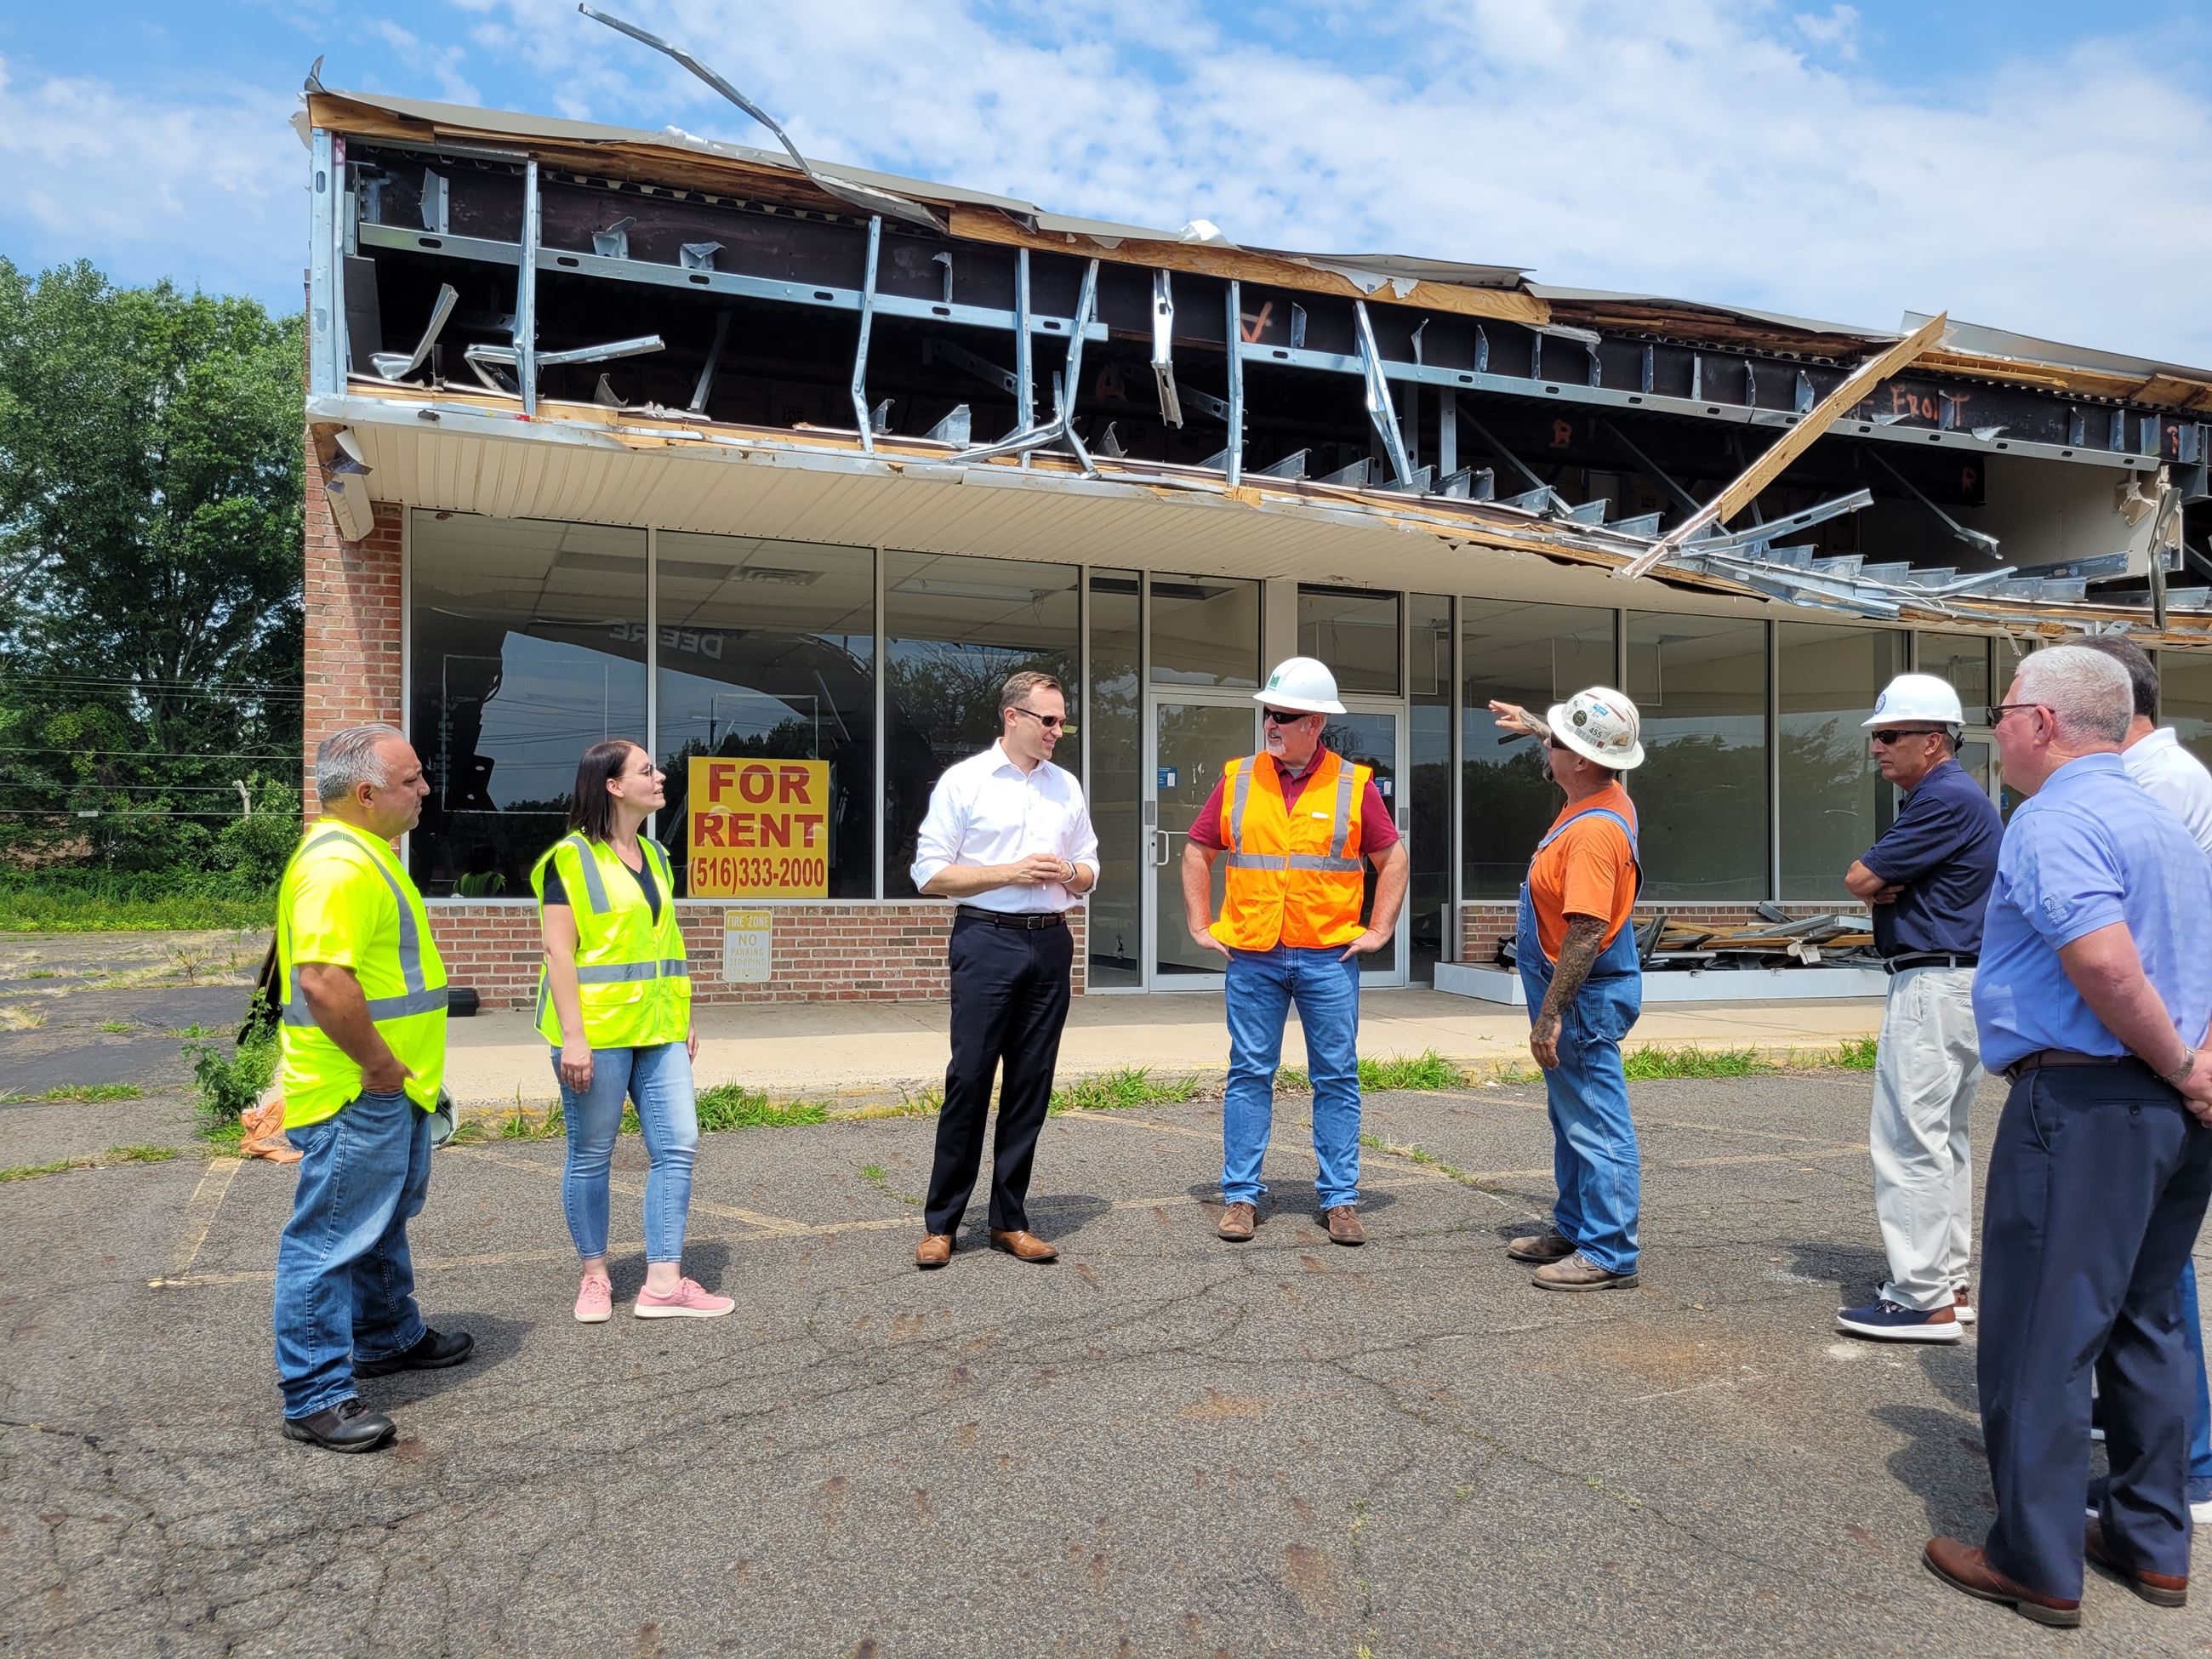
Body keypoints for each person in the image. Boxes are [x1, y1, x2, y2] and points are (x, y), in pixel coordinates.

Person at [1923, 645, 2212, 1629]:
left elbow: (2100, 962)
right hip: (2173, 1115)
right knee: (2147, 1322)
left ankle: (2035, 1561)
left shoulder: (2053, 817)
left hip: (2087, 1102)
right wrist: (2194, 1070)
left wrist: (2175, 1063)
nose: (1991, 726)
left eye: (1999, 708)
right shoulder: (2162, 823)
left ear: (2041, 722)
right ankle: (2146, 1538)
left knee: (2042, 1334)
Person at [272, 725, 472, 1453]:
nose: (425, 791)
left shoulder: (362, 856)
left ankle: (388, 1335)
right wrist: (382, 1067)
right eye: (412, 780)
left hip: (391, 1088)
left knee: (379, 1221)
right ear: (365, 794)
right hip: (359, 1089)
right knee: (329, 1242)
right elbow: (324, 984)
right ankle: (316, 1395)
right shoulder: (339, 867)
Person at [1183, 657, 1407, 1247]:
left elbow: (1393, 860)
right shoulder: (1237, 778)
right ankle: (1240, 1196)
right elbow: (1196, 851)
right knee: (1249, 1074)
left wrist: (1379, 929)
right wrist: (1201, 925)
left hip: (1326, 957)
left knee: (1337, 1077)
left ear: (1316, 723)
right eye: (1267, 714)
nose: (1271, 724)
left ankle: (1340, 1199)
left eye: (1283, 715)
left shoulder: (1353, 785)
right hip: (1254, 952)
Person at [2076, 633, 2212, 1523]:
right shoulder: (2176, 778)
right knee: (2146, 1267)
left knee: (2152, 1272)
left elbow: (2126, 951)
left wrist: (2178, 1062)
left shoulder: (2148, 788)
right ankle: (2165, 1445)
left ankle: (2186, 1463)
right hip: (2168, 1049)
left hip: (2157, 1055)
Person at [533, 740, 728, 1322]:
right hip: (595, 1034)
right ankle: (595, 1276)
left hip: (659, 1027)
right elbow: (558, 954)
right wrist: (573, 1036)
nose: (661, 775)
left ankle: (664, 1283)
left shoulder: (659, 857)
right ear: (613, 786)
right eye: (647, 770)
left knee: (678, 1145)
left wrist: (683, 1014)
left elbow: (661, 944)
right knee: (592, 1153)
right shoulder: (567, 860)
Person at [910, 670, 1099, 1269]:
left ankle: (1009, 1221)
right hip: (986, 938)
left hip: (1049, 943)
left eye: (1063, 720)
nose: (1058, 731)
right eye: (1048, 720)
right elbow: (930, 874)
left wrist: (1070, 874)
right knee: (969, 1078)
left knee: (1030, 1083)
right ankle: (941, 1224)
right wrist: (1010, 872)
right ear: (1012, 717)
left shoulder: (1065, 787)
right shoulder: (964, 783)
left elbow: (1092, 866)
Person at [1834, 674, 2002, 1343]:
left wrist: (1882, 885)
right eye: (1878, 736)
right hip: (1956, 982)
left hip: (1933, 983)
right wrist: (1887, 883)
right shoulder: (1956, 797)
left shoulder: (1943, 799)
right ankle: (1948, 1282)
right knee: (1942, 1141)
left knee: (1909, 1143)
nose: (1877, 747)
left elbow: (1860, 879)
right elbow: (1879, 881)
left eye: (1890, 735)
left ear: (1934, 741)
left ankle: (1921, 1297)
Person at [1488, 687, 1648, 1291]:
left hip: (1580, 992)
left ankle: (1608, 1251)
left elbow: (1585, 930)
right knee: (1571, 1114)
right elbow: (1585, 753)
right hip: (1578, 987)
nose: (1546, 747)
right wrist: (1536, 726)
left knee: (1597, 1122)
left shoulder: (1592, 835)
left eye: (1556, 741)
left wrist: (1549, 1015)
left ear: (1580, 760)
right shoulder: (1607, 794)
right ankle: (1578, 1224)